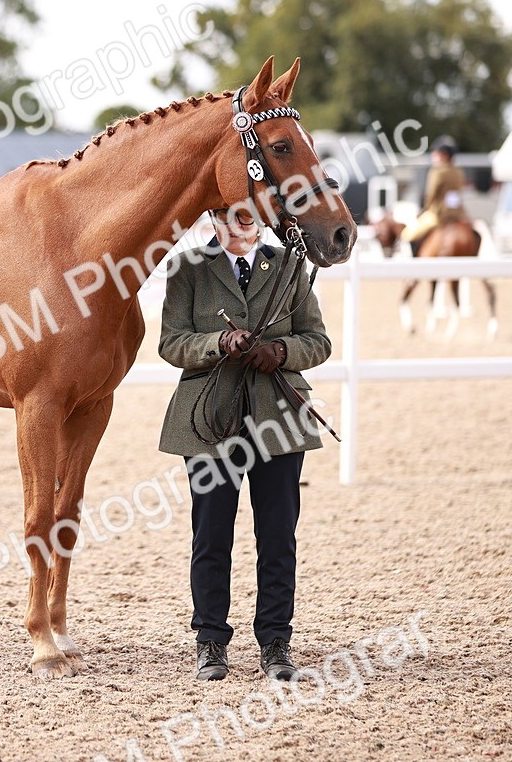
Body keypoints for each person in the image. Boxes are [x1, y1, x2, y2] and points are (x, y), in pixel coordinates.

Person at [158, 208, 332, 682]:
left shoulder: (292, 266)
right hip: (209, 420)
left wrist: (281, 352)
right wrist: (219, 342)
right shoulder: (187, 268)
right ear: (214, 219)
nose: (244, 226)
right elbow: (172, 344)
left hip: (279, 420)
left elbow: (317, 341)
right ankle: (210, 640)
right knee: (211, 535)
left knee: (278, 536)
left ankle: (276, 641)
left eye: (252, 219)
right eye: (232, 218)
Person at [401, 136, 467, 255]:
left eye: (436, 153)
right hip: (459, 213)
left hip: (439, 214)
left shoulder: (437, 171)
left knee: (408, 234)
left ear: (444, 154)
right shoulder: (458, 171)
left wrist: (425, 209)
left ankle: (414, 261)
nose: (434, 156)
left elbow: (431, 194)